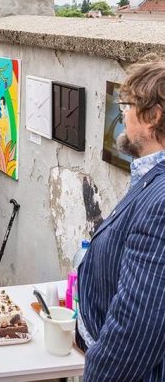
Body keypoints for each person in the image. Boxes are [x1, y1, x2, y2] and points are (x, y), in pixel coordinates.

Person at [77, 61, 165, 381]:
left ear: (153, 117)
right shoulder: (151, 178)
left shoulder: (161, 202)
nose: (123, 115)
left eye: (127, 106)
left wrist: (97, 374)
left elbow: (138, 326)